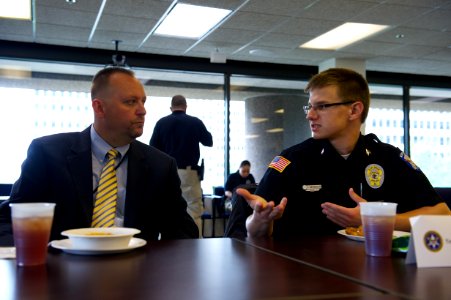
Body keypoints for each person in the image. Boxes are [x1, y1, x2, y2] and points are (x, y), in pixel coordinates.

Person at [228, 68, 451, 239]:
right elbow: (254, 231)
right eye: (310, 107)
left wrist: (377, 220)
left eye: (322, 106)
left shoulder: (388, 158)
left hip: (377, 276)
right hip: (303, 279)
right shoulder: (293, 160)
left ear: (354, 110)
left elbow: (443, 215)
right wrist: (260, 219)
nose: (310, 115)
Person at [0, 67, 198, 246]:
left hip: (137, 275)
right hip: (62, 273)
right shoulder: (48, 154)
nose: (142, 110)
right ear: (99, 107)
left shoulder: (160, 166)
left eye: (143, 101)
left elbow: (183, 232)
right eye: (130, 102)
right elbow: (9, 219)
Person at [150, 95, 213, 237]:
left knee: (166, 209)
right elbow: (209, 141)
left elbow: (152, 148)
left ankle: (168, 244)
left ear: (171, 107)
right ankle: (194, 243)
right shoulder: (195, 122)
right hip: (189, 172)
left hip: (166, 172)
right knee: (194, 208)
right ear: (185, 106)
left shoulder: (161, 123)